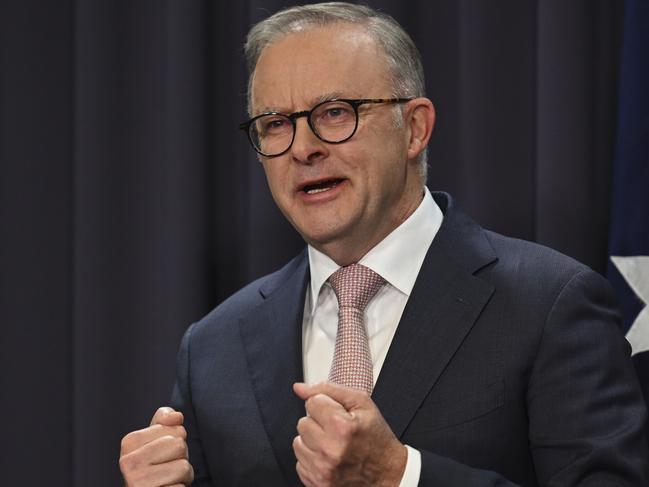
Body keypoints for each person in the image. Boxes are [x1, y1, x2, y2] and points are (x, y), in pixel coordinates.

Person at [118, 3, 649, 486]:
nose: (303, 148)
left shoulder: (550, 304)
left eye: (334, 113)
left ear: (414, 128)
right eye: (276, 124)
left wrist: (400, 475)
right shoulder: (214, 348)